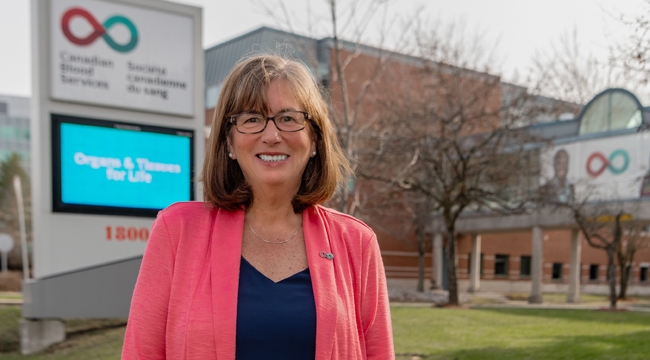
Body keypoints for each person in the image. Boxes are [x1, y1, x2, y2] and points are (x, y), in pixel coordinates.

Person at [122, 54, 394, 359]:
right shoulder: (178, 231)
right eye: (252, 119)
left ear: (314, 139)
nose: (272, 135)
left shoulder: (356, 241)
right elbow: (141, 352)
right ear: (228, 142)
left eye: (289, 118)